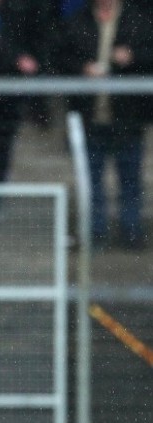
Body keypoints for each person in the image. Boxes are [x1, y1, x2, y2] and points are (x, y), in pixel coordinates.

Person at [59, 0, 152, 250]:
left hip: (128, 119)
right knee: (91, 182)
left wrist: (132, 57)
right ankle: (95, 234)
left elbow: (148, 54)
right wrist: (82, 68)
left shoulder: (139, 20)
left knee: (130, 180)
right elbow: (60, 58)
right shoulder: (77, 20)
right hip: (89, 118)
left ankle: (131, 232)